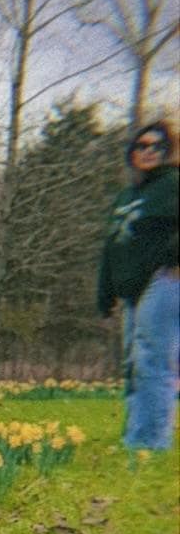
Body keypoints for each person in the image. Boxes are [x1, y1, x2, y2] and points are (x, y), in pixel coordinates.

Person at [96, 120, 180, 453]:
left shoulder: (173, 183)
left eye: (156, 146)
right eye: (141, 145)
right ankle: (136, 436)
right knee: (133, 363)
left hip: (164, 280)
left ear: (167, 151)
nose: (148, 151)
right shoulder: (127, 196)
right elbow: (112, 247)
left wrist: (173, 259)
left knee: (152, 359)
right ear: (132, 153)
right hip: (132, 288)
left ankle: (151, 443)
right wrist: (105, 293)